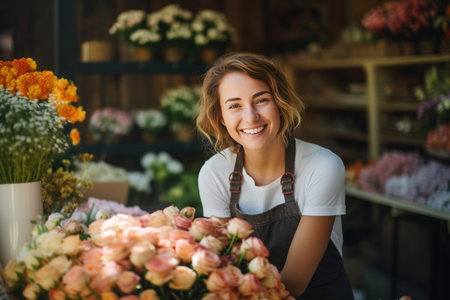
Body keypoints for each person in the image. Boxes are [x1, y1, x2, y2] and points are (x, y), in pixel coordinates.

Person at [196, 52, 354, 299]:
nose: (250, 116)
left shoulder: (323, 166)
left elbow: (294, 283)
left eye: (261, 100)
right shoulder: (215, 173)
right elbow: (226, 266)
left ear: (280, 104)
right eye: (235, 105)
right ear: (221, 117)